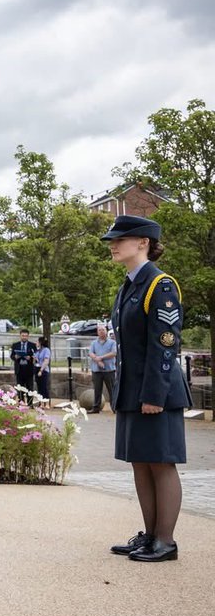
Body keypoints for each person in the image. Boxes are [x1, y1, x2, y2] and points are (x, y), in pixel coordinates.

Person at [103, 215, 190, 562]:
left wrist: (154, 394)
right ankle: (150, 535)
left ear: (143, 243)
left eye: (120, 239)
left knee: (161, 463)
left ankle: (166, 541)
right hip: (133, 391)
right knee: (141, 462)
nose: (113, 244)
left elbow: (165, 344)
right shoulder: (129, 286)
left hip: (157, 392)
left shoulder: (160, 285)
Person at [88, 324, 117, 413]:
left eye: (103, 330)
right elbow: (91, 353)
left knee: (112, 390)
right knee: (97, 390)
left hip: (109, 370)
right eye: (99, 330)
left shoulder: (112, 343)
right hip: (96, 370)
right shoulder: (93, 343)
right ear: (97, 332)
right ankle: (96, 407)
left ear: (106, 331)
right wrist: (98, 360)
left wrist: (101, 358)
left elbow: (114, 353)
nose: (101, 331)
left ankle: (114, 408)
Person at [11, 329, 37, 406]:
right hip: (19, 368)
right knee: (20, 387)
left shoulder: (32, 345)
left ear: (28, 336)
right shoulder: (15, 345)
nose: (24, 337)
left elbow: (35, 356)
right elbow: (12, 356)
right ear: (20, 336)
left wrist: (30, 358)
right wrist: (15, 356)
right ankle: (21, 403)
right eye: (23, 336)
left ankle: (30, 403)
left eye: (26, 336)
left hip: (28, 368)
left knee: (30, 387)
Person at [35, 335, 52, 404]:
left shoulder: (46, 350)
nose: (36, 342)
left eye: (38, 341)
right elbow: (36, 360)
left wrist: (41, 370)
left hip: (43, 369)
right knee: (39, 387)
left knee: (44, 386)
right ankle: (40, 402)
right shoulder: (37, 351)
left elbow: (46, 361)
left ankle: (46, 402)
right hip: (37, 368)